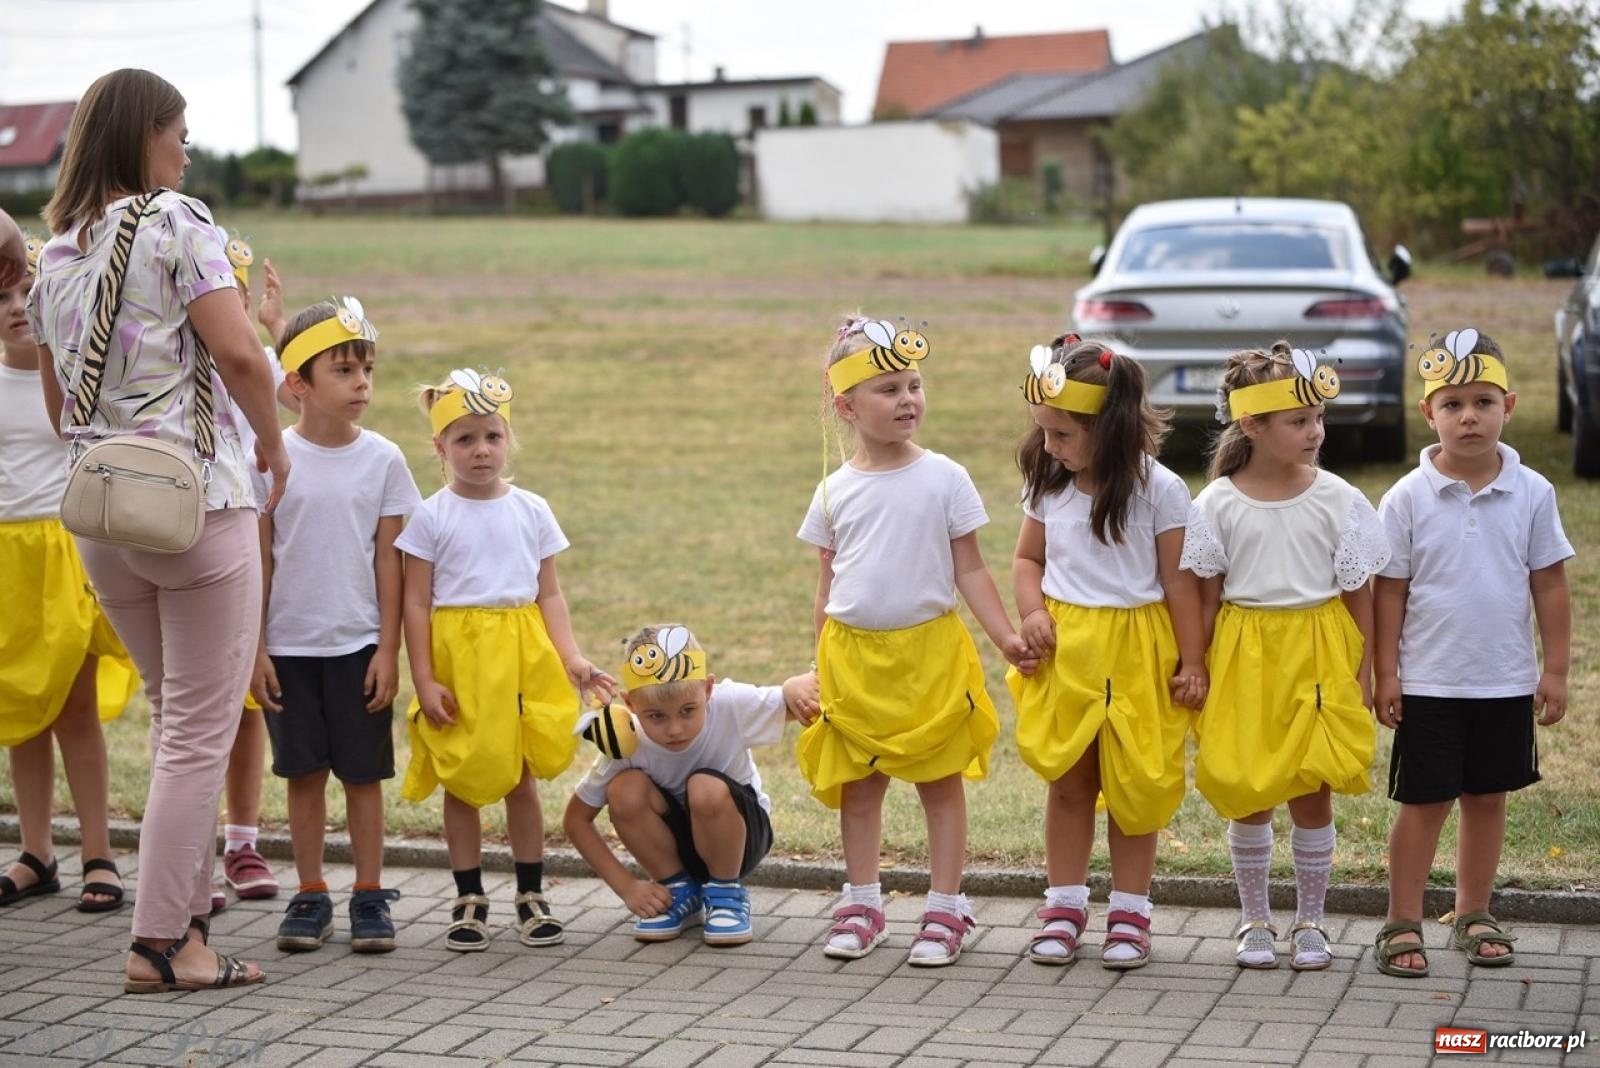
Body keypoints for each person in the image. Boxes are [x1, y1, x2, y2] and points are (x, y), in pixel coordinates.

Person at [29, 68, 287, 993]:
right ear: (143, 135)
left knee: (177, 712)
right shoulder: (180, 222)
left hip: (103, 514)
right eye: (177, 131)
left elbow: (63, 411)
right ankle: (163, 945)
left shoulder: (56, 257)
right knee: (197, 731)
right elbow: (239, 350)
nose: (187, 148)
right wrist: (273, 445)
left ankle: (179, 911)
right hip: (196, 508)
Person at [796, 315, 1033, 967]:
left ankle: (946, 908)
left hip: (930, 655)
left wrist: (1007, 640)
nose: (908, 400)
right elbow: (826, 588)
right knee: (860, 786)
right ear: (847, 406)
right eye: (889, 389)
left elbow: (971, 569)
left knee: (939, 779)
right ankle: (863, 901)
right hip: (853, 660)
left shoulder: (946, 478)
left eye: (915, 385)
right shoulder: (833, 491)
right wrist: (819, 668)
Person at [1180, 341, 1389, 972]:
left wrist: (1363, 674)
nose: (1315, 432)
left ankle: (1312, 920)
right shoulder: (1215, 504)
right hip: (1246, 656)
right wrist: (1200, 664)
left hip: (1318, 653)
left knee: (1311, 787)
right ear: (1252, 425)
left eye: (1319, 419)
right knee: (1249, 787)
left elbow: (1361, 597)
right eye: (1300, 421)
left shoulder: (1338, 498)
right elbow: (1207, 598)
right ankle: (1254, 919)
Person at [1371, 329, 1572, 977]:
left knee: (1487, 798)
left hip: (1503, 681)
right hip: (1429, 682)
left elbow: (1549, 582)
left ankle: (1473, 909)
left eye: (1483, 402)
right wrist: (1386, 672)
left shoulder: (1533, 492)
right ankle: (1402, 919)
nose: (1469, 416)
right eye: (1452, 404)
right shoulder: (1406, 497)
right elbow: (1389, 591)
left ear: (1508, 406)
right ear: (1429, 412)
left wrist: (1557, 669)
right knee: (1424, 802)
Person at [1006, 335, 1207, 969]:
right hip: (1070, 651)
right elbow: (1026, 559)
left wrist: (1193, 659)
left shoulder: (1162, 490)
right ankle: (1063, 906)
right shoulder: (1049, 482)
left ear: (1111, 428)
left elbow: (1181, 581)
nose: (1048, 447)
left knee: (1134, 785)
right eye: (1043, 432)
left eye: (1061, 435)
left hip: (1139, 651)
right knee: (1070, 781)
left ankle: (1130, 912)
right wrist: (1033, 613)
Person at [397, 368, 611, 952]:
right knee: (463, 777)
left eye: (491, 436)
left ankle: (530, 891)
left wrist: (571, 658)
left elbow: (550, 593)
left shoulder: (533, 509)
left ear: (508, 438)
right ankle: (468, 896)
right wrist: (423, 677)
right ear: (440, 448)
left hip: (521, 655)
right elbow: (415, 603)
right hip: (460, 660)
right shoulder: (431, 517)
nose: (481, 450)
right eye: (464, 439)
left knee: (519, 776)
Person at [250, 296, 420, 954]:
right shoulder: (269, 457)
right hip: (288, 648)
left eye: (368, 370)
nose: (363, 386)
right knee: (302, 774)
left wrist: (388, 649)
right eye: (344, 371)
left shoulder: (383, 460)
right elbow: (260, 557)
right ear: (297, 384)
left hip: (357, 648)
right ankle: (312, 891)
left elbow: (390, 562)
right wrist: (256, 646)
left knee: (363, 775)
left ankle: (369, 894)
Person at [1, 225, 138, 913]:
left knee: (76, 710)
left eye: (29, 291)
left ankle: (99, 854)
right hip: (8, 564)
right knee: (23, 709)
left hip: (67, 552)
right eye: (5, 296)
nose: (18, 306)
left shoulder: (74, 376)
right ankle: (35, 853)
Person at [564, 625, 819, 947]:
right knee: (624, 788)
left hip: (741, 841)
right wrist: (628, 887)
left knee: (704, 786)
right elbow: (575, 820)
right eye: (655, 716)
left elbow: (795, 700)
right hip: (677, 849)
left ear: (708, 689)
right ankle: (680, 892)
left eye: (688, 711)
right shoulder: (626, 742)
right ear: (629, 704)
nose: (674, 729)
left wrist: (793, 684)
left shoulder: (731, 705)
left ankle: (726, 893)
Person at [209, 233, 293, 911]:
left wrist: (277, 331)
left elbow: (304, 393)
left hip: (252, 550)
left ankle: (241, 841)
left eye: (240, 298)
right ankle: (185, 849)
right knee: (191, 711)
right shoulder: (176, 364)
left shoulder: (256, 359)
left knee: (245, 711)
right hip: (199, 540)